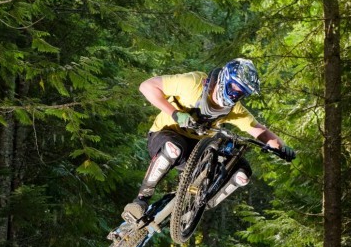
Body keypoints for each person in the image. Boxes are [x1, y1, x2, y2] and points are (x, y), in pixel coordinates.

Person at [123, 58, 295, 219]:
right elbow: (147, 86)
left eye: (241, 93)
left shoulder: (234, 110)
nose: (235, 95)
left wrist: (281, 147)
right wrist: (175, 114)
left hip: (195, 151)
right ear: (225, 78)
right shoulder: (193, 84)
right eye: (235, 87)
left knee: (241, 171)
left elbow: (259, 131)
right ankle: (141, 200)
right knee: (173, 147)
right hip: (165, 134)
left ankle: (200, 206)